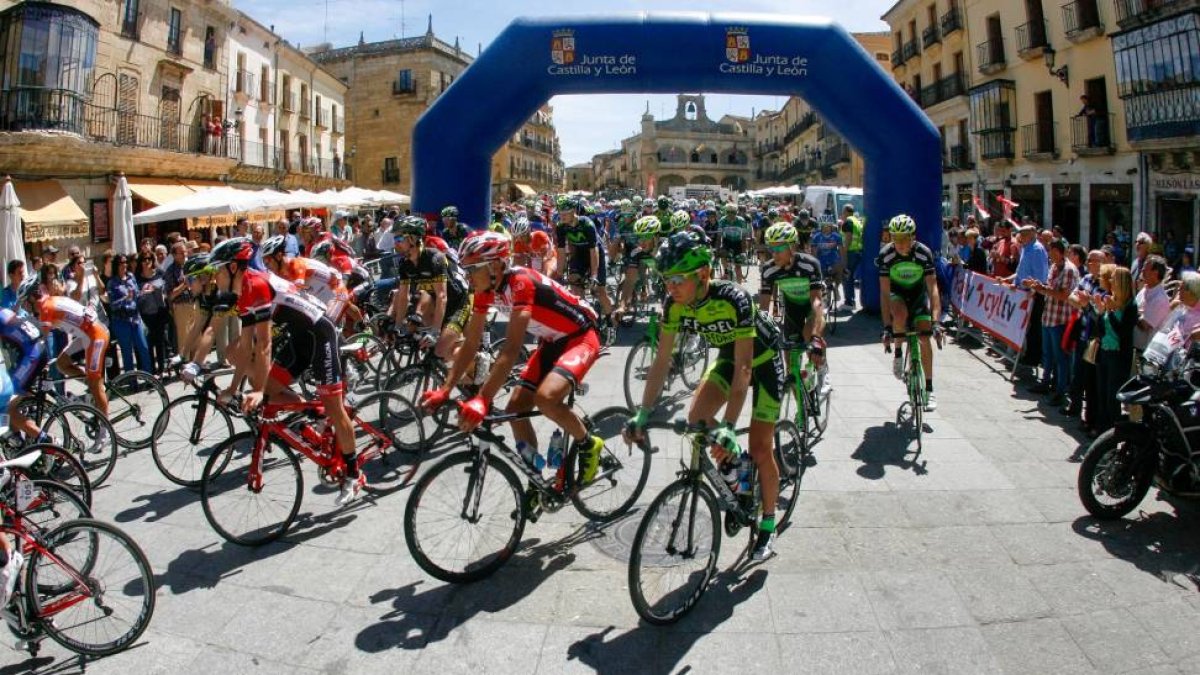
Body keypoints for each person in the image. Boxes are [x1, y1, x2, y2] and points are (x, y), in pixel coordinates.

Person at [624, 231, 785, 561]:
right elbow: (661, 361)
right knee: (697, 420)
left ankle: (768, 525)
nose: (670, 288)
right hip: (730, 357)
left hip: (764, 362)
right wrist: (643, 411)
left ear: (703, 274)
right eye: (666, 280)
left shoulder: (734, 299)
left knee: (759, 447)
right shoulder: (675, 305)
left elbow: (744, 368)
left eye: (677, 280)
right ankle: (736, 469)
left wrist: (728, 425)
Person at [420, 232, 606, 492]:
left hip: (581, 336)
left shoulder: (521, 282)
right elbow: (471, 343)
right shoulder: (485, 290)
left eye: (472, 269)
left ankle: (588, 444)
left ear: (495, 265)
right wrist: (445, 389)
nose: (468, 276)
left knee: (546, 398)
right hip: (552, 341)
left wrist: (483, 400)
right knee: (516, 410)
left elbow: (511, 348)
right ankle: (536, 483)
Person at [206, 237, 364, 505]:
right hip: (300, 337)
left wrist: (253, 389)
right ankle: (315, 414)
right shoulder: (243, 292)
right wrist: (234, 388)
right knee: (271, 389)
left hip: (321, 334)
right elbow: (246, 346)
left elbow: (264, 342)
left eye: (217, 271)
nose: (214, 279)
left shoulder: (256, 284)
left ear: (234, 268)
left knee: (334, 408)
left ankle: (353, 473)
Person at [19, 274, 111, 450]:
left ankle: (105, 432)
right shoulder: (49, 301)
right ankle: (94, 391)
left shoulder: (45, 307)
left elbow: (41, 342)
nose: (24, 306)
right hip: (87, 334)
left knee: (94, 382)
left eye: (25, 301)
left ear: (32, 298)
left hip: (95, 336)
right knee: (62, 363)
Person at [877, 214, 941, 412]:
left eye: (905, 238)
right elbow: (885, 294)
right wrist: (887, 327)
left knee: (924, 338)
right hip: (897, 294)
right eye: (896, 238)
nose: (901, 243)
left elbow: (933, 289)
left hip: (918, 295)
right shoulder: (886, 254)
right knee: (899, 314)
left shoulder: (923, 253)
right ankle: (898, 353)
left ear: (913, 237)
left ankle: (929, 390)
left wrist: (936, 322)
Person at [385, 217, 471, 362]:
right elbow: (403, 296)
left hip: (459, 302)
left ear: (412, 239)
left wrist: (435, 332)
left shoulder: (434, 258)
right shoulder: (405, 264)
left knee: (441, 350)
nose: (395, 243)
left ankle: (476, 358)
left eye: (399, 238)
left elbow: (442, 296)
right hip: (437, 303)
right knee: (438, 351)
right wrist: (397, 326)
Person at [759, 222, 828, 393]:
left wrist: (816, 338)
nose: (774, 254)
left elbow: (816, 303)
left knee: (809, 336)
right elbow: (763, 307)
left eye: (779, 248)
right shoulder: (768, 269)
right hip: (792, 305)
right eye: (771, 248)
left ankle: (821, 370)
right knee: (789, 353)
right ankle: (801, 410)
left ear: (792, 246)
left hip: (812, 303)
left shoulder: (809, 264)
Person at [1026, 239, 1078, 406]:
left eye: (1052, 251)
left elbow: (1063, 295)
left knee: (1061, 357)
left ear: (1058, 251)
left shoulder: (1069, 270)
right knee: (1047, 354)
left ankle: (1061, 390)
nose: (1049, 254)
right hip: (1049, 316)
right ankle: (1045, 382)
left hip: (1060, 319)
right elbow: (1049, 288)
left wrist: (1041, 288)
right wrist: (1039, 286)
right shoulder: (1054, 267)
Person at [1092, 265, 1136, 434]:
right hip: (1105, 351)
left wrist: (1110, 311)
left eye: (1114, 279)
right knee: (1101, 393)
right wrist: (1101, 311)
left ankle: (1115, 432)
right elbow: (1101, 329)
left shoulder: (1130, 306)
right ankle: (1102, 430)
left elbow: (1122, 332)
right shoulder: (1110, 298)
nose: (1110, 281)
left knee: (1112, 397)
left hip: (1118, 355)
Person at [1066, 249, 1105, 426]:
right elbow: (1072, 297)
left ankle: (1090, 417)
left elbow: (1099, 311)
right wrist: (1083, 303)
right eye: (1089, 260)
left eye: (1094, 261)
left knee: (1091, 381)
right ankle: (1074, 405)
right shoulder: (1086, 279)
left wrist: (1085, 303)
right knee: (1077, 373)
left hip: (1095, 338)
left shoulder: (1105, 284)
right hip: (1082, 332)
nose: (1090, 263)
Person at [0, 305, 50, 443]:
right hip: (37, 349)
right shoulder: (4, 311)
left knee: (7, 406)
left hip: (31, 356)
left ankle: (46, 441)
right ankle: (16, 442)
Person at [105, 254, 151, 373]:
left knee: (143, 348)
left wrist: (143, 292)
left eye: (125, 262)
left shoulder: (131, 277)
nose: (124, 265)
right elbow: (112, 305)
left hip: (135, 318)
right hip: (121, 321)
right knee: (127, 352)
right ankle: (131, 381)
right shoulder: (112, 282)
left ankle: (148, 377)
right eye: (121, 263)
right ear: (116, 265)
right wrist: (125, 298)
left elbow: (135, 295)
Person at [135, 253, 169, 376]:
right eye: (144, 259)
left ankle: (162, 369)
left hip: (160, 311)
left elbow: (166, 288)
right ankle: (151, 370)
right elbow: (135, 297)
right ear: (140, 262)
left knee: (160, 342)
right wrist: (143, 292)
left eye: (150, 259)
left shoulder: (159, 273)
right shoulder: (137, 278)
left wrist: (158, 289)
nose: (147, 261)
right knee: (149, 343)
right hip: (145, 314)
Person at [1134, 255, 1172, 351]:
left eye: (1145, 268)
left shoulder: (1160, 299)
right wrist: (1138, 313)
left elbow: (1144, 325)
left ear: (1155, 273)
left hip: (1144, 351)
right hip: (1134, 346)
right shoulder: (1144, 290)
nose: (1142, 270)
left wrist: (1132, 310)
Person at [839, 204, 863, 309]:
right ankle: (851, 300)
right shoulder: (857, 221)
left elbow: (848, 238)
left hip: (849, 252)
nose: (842, 215)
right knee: (851, 276)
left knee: (846, 276)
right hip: (857, 252)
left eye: (843, 212)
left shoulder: (848, 221)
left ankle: (849, 302)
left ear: (846, 212)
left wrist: (843, 251)